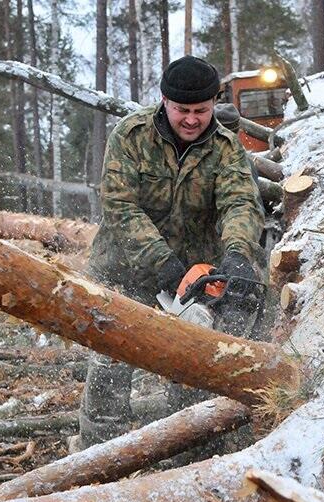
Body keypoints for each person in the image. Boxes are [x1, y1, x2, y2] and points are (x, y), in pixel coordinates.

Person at [76, 56, 265, 449]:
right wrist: (160, 261)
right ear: (164, 101)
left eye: (201, 110)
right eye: (183, 110)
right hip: (125, 266)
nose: (192, 120)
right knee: (112, 357)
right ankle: (98, 452)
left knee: (192, 361)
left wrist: (237, 253)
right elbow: (119, 206)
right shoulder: (131, 136)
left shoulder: (227, 148)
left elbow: (241, 204)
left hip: (193, 276)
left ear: (214, 103)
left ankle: (190, 449)